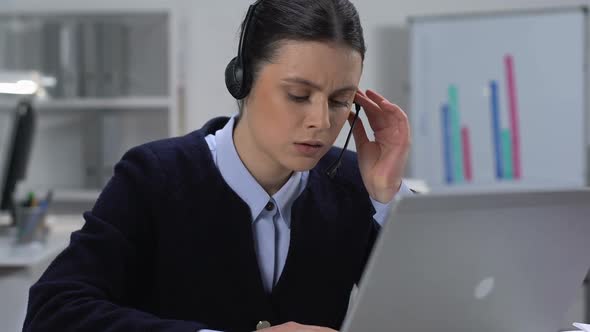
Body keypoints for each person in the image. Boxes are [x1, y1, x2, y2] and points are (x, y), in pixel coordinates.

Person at [23, 0, 412, 331]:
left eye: (340, 100)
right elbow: (52, 312)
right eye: (298, 95)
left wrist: (388, 199)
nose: (321, 121)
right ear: (241, 80)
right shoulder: (153, 177)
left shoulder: (353, 182)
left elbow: (430, 311)